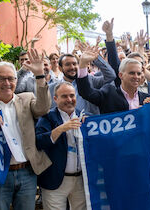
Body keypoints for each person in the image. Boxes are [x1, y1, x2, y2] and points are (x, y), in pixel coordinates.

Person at [0, 49, 52, 210]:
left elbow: (43, 108)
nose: (7, 83)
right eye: (1, 78)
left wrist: (40, 76)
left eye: (11, 78)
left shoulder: (26, 99)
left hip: (27, 172)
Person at [36, 82, 86, 210]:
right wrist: (61, 129)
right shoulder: (47, 117)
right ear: (55, 99)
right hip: (56, 180)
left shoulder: (84, 116)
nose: (69, 100)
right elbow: (39, 141)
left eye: (72, 95)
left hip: (80, 180)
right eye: (64, 96)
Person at [49, 43, 116, 115]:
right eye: (67, 64)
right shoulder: (52, 88)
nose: (72, 67)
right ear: (60, 68)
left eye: (74, 64)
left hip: (90, 123)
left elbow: (111, 76)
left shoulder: (90, 80)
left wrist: (96, 58)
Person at [76, 58, 150, 114]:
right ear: (121, 75)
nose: (136, 77)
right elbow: (86, 93)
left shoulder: (146, 99)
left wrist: (149, 108)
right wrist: (83, 64)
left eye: (139, 74)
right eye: (132, 73)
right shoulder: (109, 94)